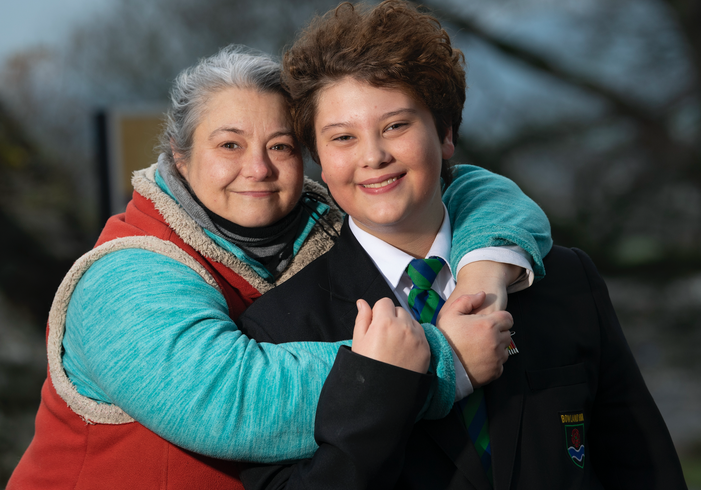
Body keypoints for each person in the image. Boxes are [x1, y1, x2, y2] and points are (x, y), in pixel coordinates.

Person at [8, 45, 553, 489]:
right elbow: (233, 401)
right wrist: (444, 359)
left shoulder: (318, 223)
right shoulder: (124, 275)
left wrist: (485, 276)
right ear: (179, 156)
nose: (258, 169)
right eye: (230, 144)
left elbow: (470, 186)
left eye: (281, 145)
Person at [237, 1, 688, 489]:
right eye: (342, 137)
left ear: (446, 134)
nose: (374, 156)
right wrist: (385, 394)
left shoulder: (566, 281)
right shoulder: (280, 331)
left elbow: (644, 466)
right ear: (319, 162)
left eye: (396, 125)